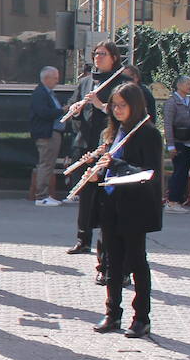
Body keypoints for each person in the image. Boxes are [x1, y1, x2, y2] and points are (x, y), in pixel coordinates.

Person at [91, 82, 163, 338]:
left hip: (136, 207)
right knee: (112, 262)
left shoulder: (149, 134)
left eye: (123, 105)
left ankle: (141, 318)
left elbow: (150, 173)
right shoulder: (113, 132)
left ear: (135, 105)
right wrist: (96, 172)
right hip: (111, 204)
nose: (118, 110)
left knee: (136, 262)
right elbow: (110, 169)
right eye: (114, 105)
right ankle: (113, 314)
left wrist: (117, 163)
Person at [65, 42, 126, 278]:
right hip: (85, 144)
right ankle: (83, 239)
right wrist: (76, 109)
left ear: (114, 57)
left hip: (107, 147)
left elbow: (121, 114)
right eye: (95, 54)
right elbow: (71, 104)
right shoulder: (85, 81)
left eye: (102, 54)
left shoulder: (120, 83)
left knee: (104, 202)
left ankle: (106, 260)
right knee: (85, 194)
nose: (97, 58)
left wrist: (100, 106)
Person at [29, 65, 65, 206]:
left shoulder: (49, 93)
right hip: (46, 133)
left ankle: (45, 194)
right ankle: (41, 196)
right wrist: (61, 110)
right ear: (46, 78)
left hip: (52, 132)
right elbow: (43, 112)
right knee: (45, 164)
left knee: (48, 164)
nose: (57, 81)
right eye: (55, 78)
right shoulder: (40, 93)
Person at [162, 75, 190, 213]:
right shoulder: (172, 102)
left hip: (189, 141)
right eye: (187, 84)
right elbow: (168, 124)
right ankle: (172, 201)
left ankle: (177, 200)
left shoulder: (188, 101)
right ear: (178, 85)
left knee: (183, 172)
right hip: (178, 142)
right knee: (178, 172)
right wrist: (170, 145)